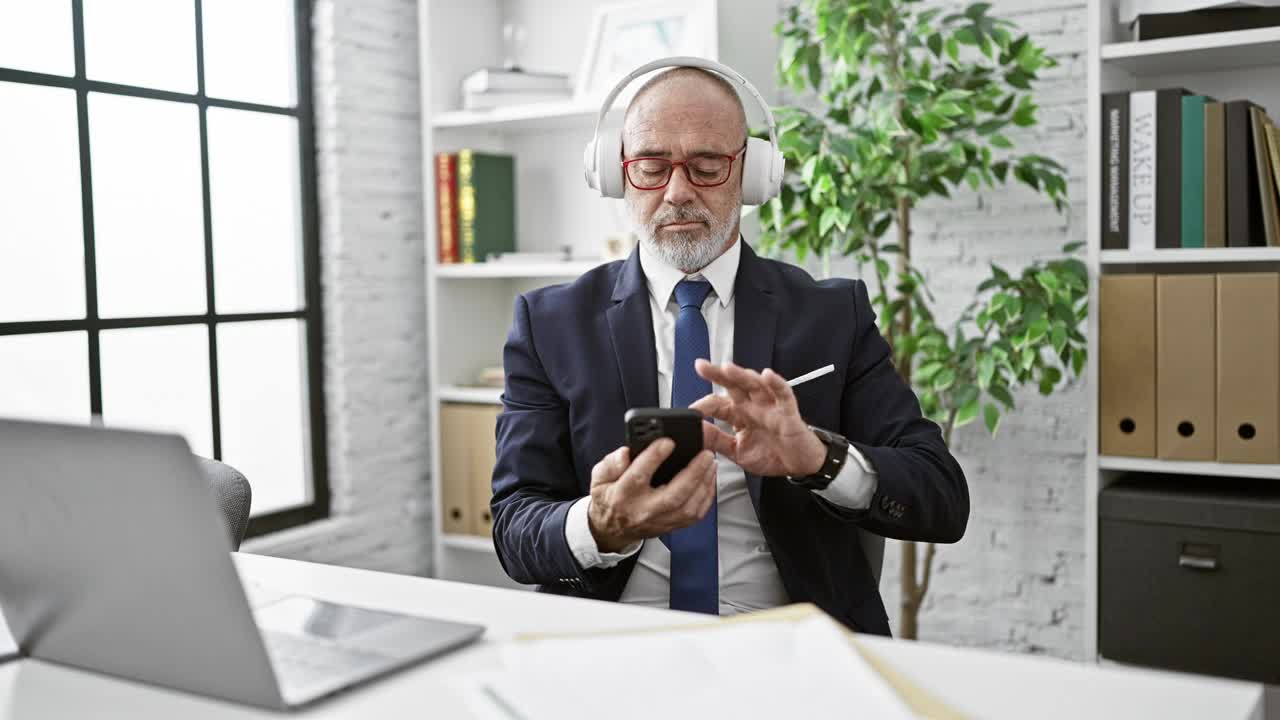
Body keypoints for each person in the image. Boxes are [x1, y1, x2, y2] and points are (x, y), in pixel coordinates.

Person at [489, 60, 968, 634]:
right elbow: (514, 529)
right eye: (650, 166)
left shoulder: (834, 316)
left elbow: (941, 496)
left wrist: (818, 459)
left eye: (708, 165)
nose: (678, 192)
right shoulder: (549, 323)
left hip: (789, 640)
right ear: (617, 175)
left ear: (754, 174)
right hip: (611, 642)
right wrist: (600, 524)